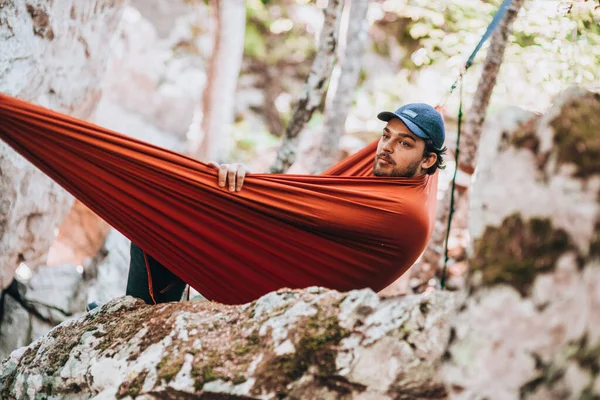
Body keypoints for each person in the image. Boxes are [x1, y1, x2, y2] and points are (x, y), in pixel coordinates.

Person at [120, 103, 447, 306]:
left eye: (405, 143)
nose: (386, 148)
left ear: (428, 160)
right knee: (168, 216)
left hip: (287, 291)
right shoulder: (404, 181)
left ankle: (132, 317)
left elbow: (301, 206)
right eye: (386, 135)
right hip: (287, 266)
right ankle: (137, 313)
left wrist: (244, 186)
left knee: (159, 219)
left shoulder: (405, 212)